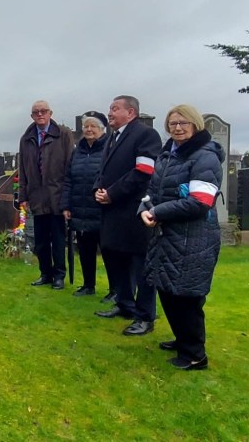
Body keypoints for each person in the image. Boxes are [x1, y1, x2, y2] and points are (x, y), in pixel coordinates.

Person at [140, 105, 222, 370]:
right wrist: (144, 209)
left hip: (193, 239)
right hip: (167, 235)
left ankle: (196, 355)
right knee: (168, 290)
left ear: (195, 125)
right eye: (172, 123)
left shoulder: (204, 158)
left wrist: (158, 211)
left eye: (183, 123)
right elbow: (151, 190)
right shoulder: (167, 155)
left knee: (187, 296)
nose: (177, 128)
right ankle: (182, 339)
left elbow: (200, 202)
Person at [93, 95, 163, 336]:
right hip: (112, 211)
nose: (109, 113)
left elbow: (143, 171)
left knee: (140, 264)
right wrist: (98, 190)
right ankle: (124, 304)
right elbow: (103, 170)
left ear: (131, 112)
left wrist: (112, 193)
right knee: (116, 259)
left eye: (115, 109)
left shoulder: (145, 135)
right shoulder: (113, 136)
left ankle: (145, 316)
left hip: (135, 211)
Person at [18, 100, 74, 290]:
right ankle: (45, 273)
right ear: (32, 116)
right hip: (36, 196)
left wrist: (67, 198)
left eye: (43, 111)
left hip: (56, 195)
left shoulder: (63, 134)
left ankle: (59, 275)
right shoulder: (26, 138)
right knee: (40, 240)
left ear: (50, 113)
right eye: (36, 112)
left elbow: (69, 166)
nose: (40, 114)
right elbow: (23, 170)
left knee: (58, 239)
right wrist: (23, 196)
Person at [61, 111, 110, 297]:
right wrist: (66, 206)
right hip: (80, 209)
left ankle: (115, 290)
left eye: (93, 126)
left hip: (101, 208)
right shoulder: (77, 151)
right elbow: (68, 180)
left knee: (108, 251)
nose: (89, 130)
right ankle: (88, 285)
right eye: (86, 126)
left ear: (102, 130)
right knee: (85, 250)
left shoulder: (109, 149)